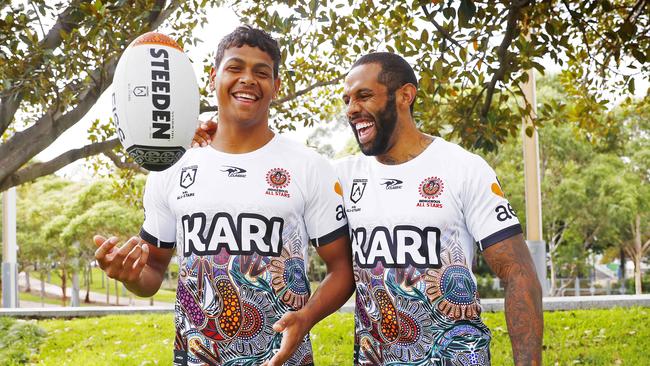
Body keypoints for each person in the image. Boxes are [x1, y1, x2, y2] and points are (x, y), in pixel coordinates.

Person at [195, 52, 543, 365]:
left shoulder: (463, 168)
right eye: (347, 100)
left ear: (405, 95)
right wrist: (219, 142)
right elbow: (270, 183)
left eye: (364, 96)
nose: (351, 109)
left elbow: (518, 273)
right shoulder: (340, 177)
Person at [95, 25, 354, 366]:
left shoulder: (309, 165)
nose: (248, 79)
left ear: (275, 86)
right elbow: (153, 271)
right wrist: (129, 276)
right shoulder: (173, 166)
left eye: (261, 72)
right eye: (235, 68)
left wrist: (305, 318)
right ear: (214, 76)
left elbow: (343, 268)